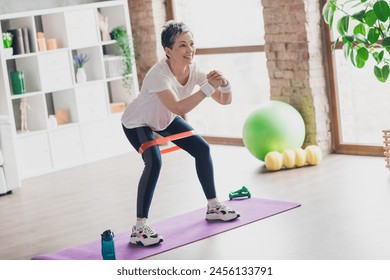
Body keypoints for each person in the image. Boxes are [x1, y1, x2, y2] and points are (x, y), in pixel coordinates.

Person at [121, 20, 239, 247]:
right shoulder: (158, 75)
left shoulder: (193, 70)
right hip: (137, 122)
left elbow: (225, 101)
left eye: (192, 44)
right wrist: (208, 87)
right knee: (154, 161)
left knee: (202, 149)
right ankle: (139, 228)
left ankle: (213, 206)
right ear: (168, 51)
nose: (190, 50)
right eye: (183, 45)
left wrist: (224, 83)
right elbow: (180, 108)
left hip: (164, 119)